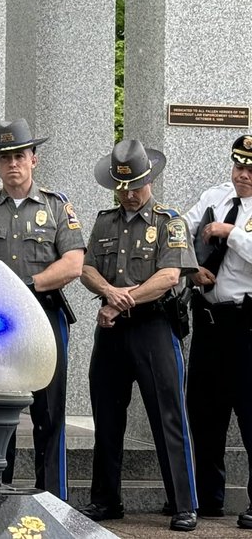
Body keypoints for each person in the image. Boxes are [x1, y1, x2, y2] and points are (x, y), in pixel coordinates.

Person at [0, 118, 83, 499]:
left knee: (48, 411)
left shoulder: (57, 207)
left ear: (34, 160)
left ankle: (53, 497)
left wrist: (26, 288)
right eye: (5, 157)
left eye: (19, 156)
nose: (12, 164)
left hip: (44, 314)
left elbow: (74, 262)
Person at [77, 139, 198, 533]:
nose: (128, 194)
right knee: (107, 418)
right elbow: (87, 268)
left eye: (136, 186)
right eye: (121, 187)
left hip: (154, 328)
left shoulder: (170, 222)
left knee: (169, 416)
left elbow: (169, 276)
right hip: (112, 333)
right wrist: (108, 293)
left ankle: (183, 503)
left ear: (150, 180)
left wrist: (121, 300)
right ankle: (105, 498)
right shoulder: (104, 221)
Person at [180, 134, 252, 527]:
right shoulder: (215, 196)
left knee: (250, 416)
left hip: (247, 325)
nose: (243, 175)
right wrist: (190, 270)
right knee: (204, 415)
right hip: (209, 323)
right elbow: (181, 232)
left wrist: (231, 234)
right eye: (239, 166)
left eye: (251, 170)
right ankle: (207, 498)